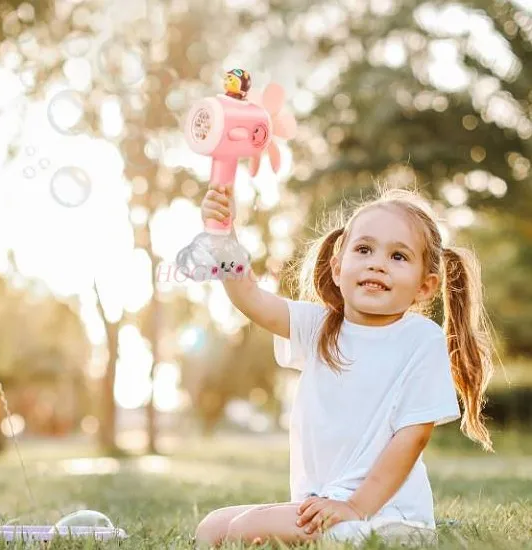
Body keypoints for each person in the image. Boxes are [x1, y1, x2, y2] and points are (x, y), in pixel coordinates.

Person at [194, 183, 496, 547]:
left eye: (398, 257)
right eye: (364, 249)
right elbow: (250, 297)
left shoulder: (421, 338)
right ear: (338, 268)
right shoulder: (319, 326)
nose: (377, 263)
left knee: (244, 530)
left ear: (425, 286)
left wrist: (355, 506)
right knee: (211, 528)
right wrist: (224, 236)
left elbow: (412, 437)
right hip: (323, 506)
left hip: (387, 517)